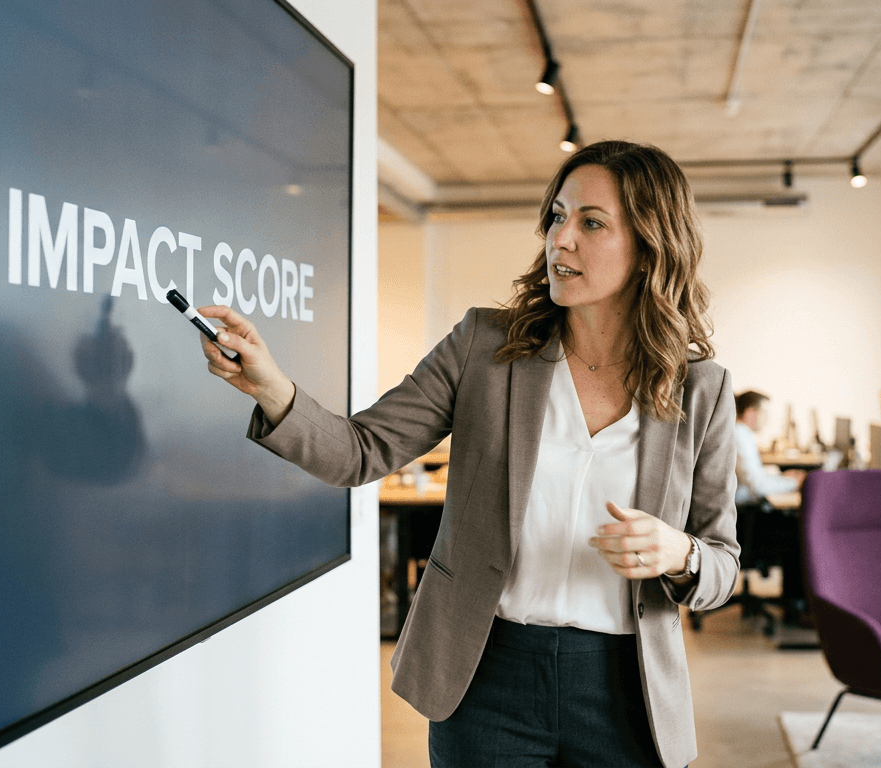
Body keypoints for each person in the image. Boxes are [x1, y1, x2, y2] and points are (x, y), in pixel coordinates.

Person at [196, 141, 739, 768]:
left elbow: (722, 562)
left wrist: (681, 553)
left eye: (592, 223)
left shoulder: (702, 389)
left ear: (651, 246)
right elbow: (360, 451)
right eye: (557, 216)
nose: (561, 239)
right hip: (486, 674)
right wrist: (273, 387)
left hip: (626, 689)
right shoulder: (485, 347)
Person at [733, 390, 801, 504]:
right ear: (750, 413)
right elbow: (758, 486)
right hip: (743, 505)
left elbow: (755, 476)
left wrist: (780, 476)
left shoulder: (742, 433)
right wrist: (794, 483)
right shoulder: (740, 435)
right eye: (764, 413)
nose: (766, 419)